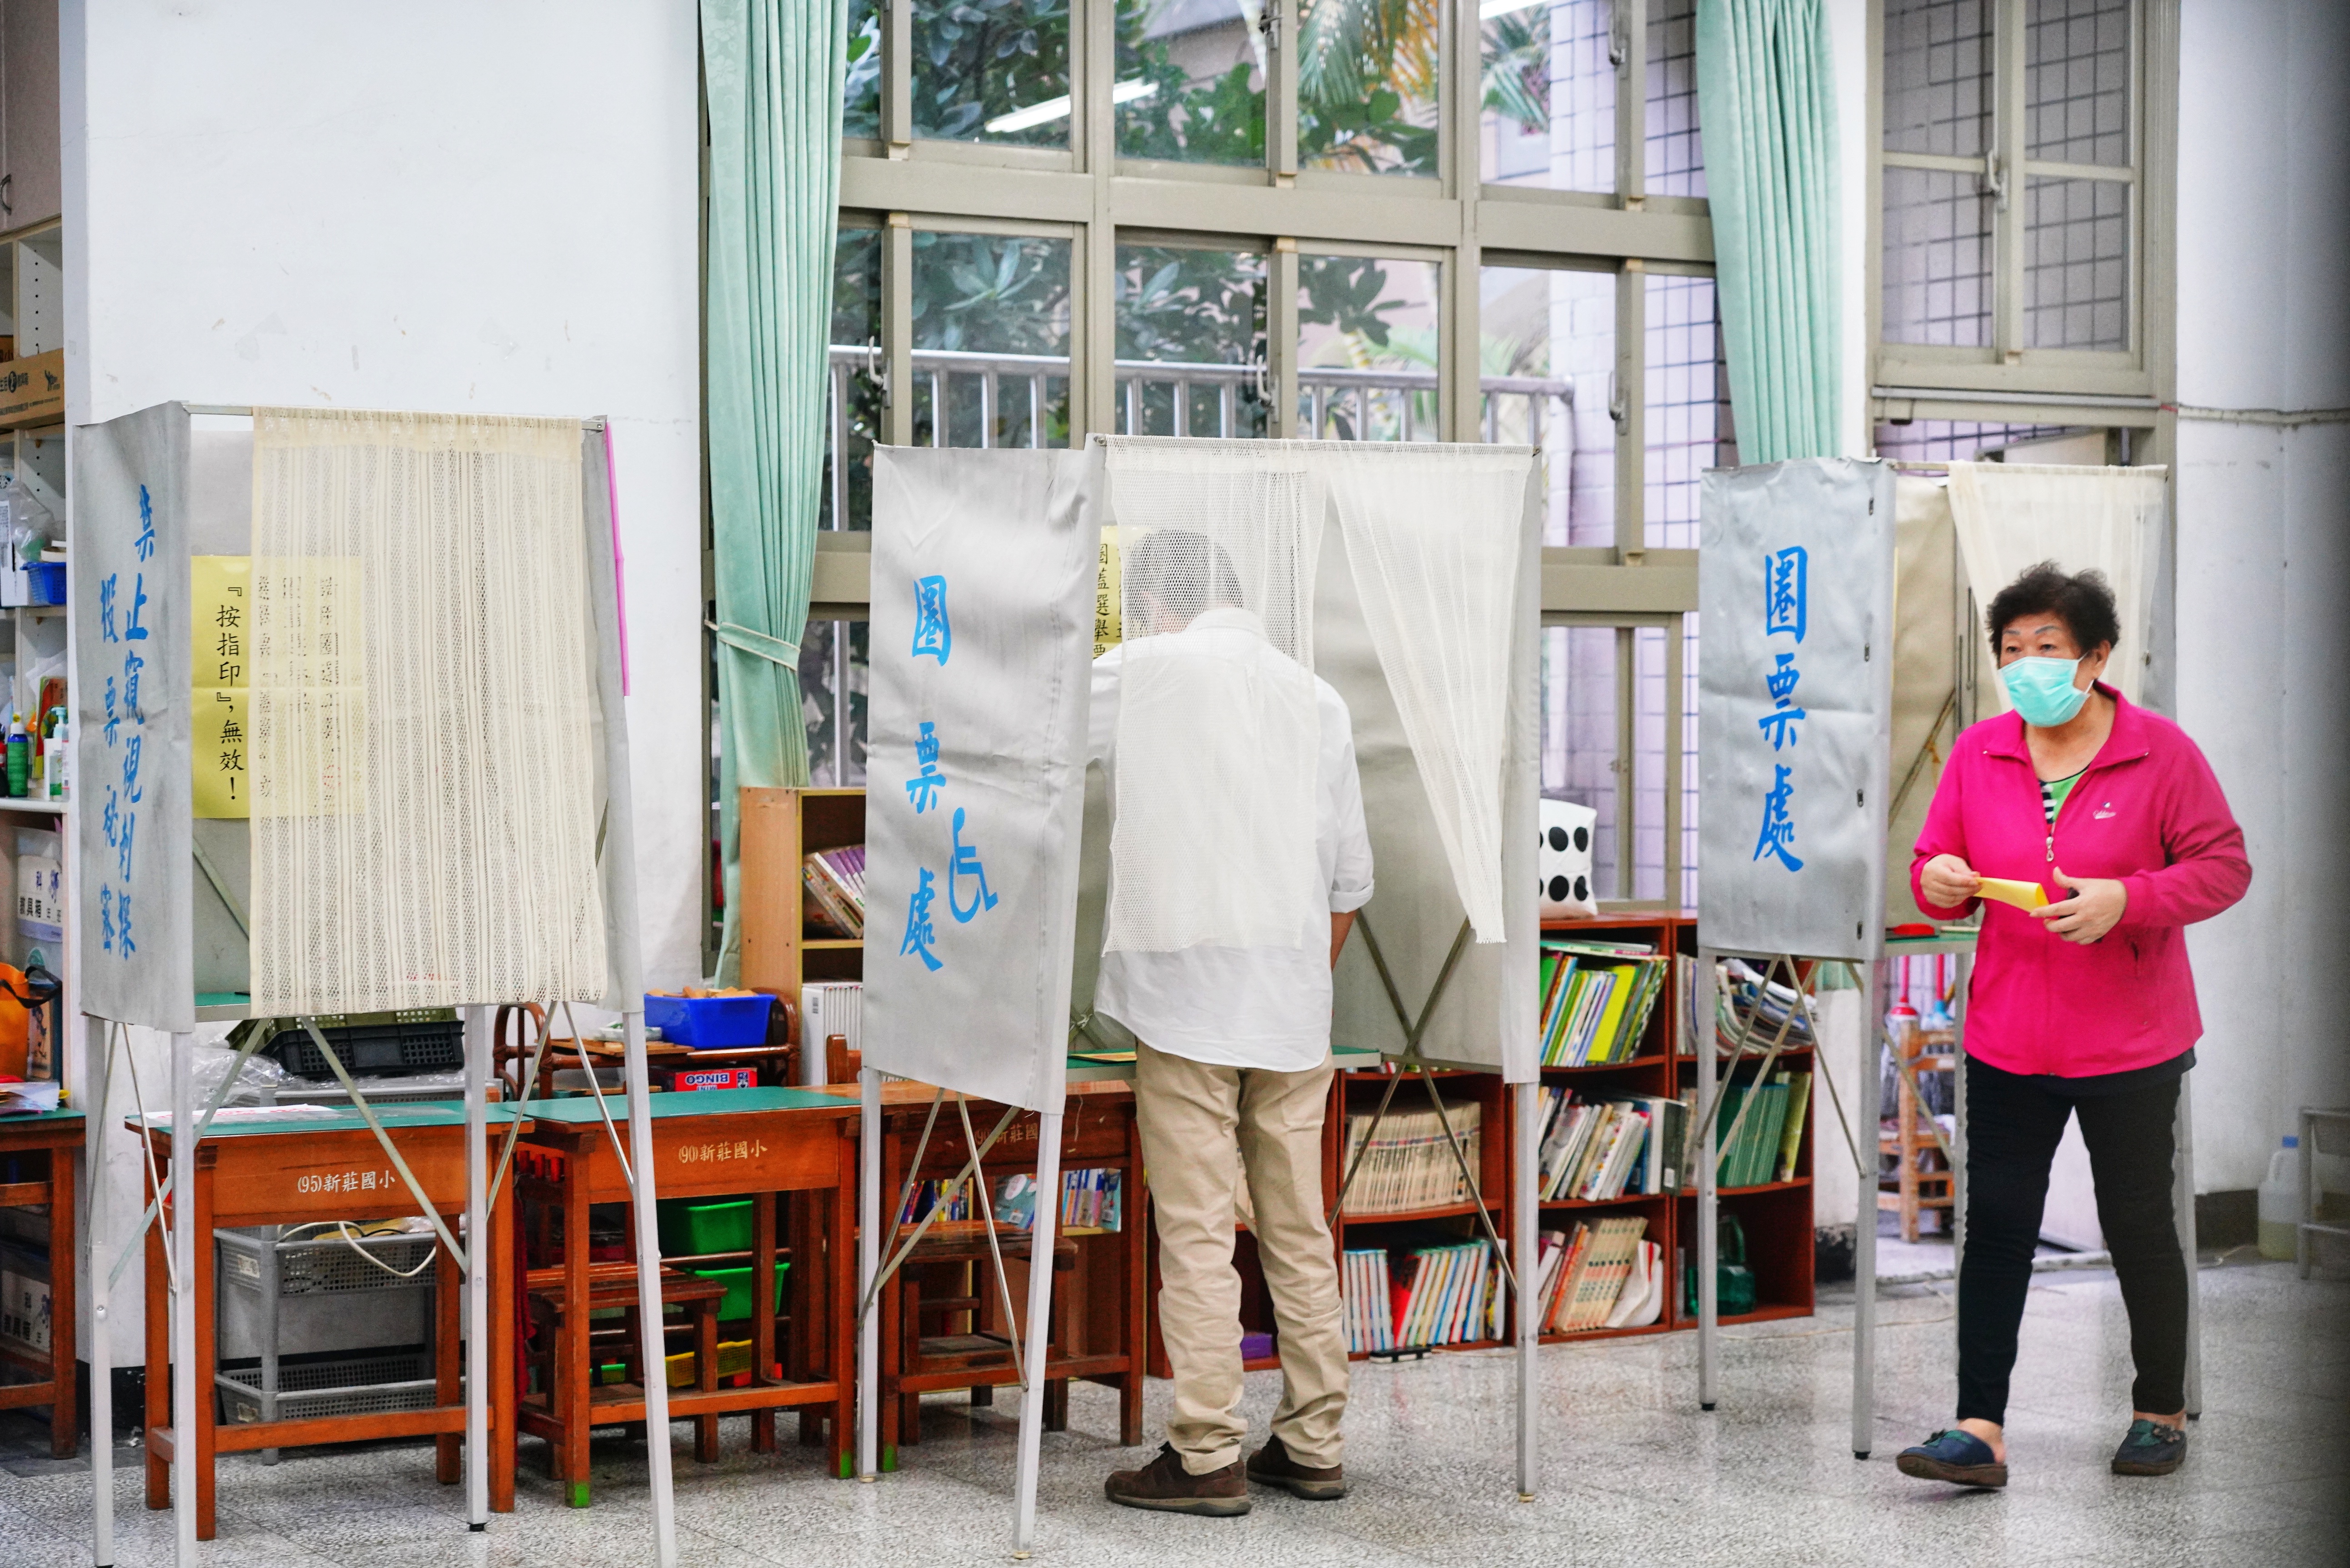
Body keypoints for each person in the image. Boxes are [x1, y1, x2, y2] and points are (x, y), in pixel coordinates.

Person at [1897, 562, 2250, 1489]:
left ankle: (2156, 1412)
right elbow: (1937, 860)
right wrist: (1934, 878)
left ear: (2095, 656)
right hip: (2008, 1033)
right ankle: (1979, 1426)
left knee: (2137, 1220)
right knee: (1997, 1225)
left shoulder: (2160, 752)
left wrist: (2126, 898)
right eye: (2009, 650)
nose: (2024, 666)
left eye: (2045, 649)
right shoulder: (1980, 752)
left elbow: (2223, 866)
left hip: (2130, 1039)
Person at [1088, 529, 1371, 1517]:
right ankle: (1314, 1439)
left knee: (1200, 1228)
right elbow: (1349, 883)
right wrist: (1291, 979)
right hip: (1293, 1005)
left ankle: (1207, 1450)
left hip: (1183, 995)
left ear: (1155, 604)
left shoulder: (1141, 668)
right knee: (1299, 1227)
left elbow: (1033, 747)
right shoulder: (1318, 696)